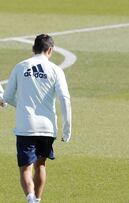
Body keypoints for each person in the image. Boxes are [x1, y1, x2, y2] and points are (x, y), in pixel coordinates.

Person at [4, 34, 72, 203]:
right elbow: (65, 98)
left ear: (33, 48)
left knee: (25, 169)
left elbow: (6, 96)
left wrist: (22, 105)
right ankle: (38, 199)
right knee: (40, 165)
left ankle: (30, 198)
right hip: (47, 128)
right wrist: (67, 127)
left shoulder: (20, 67)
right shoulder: (56, 70)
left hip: (25, 126)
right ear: (50, 50)